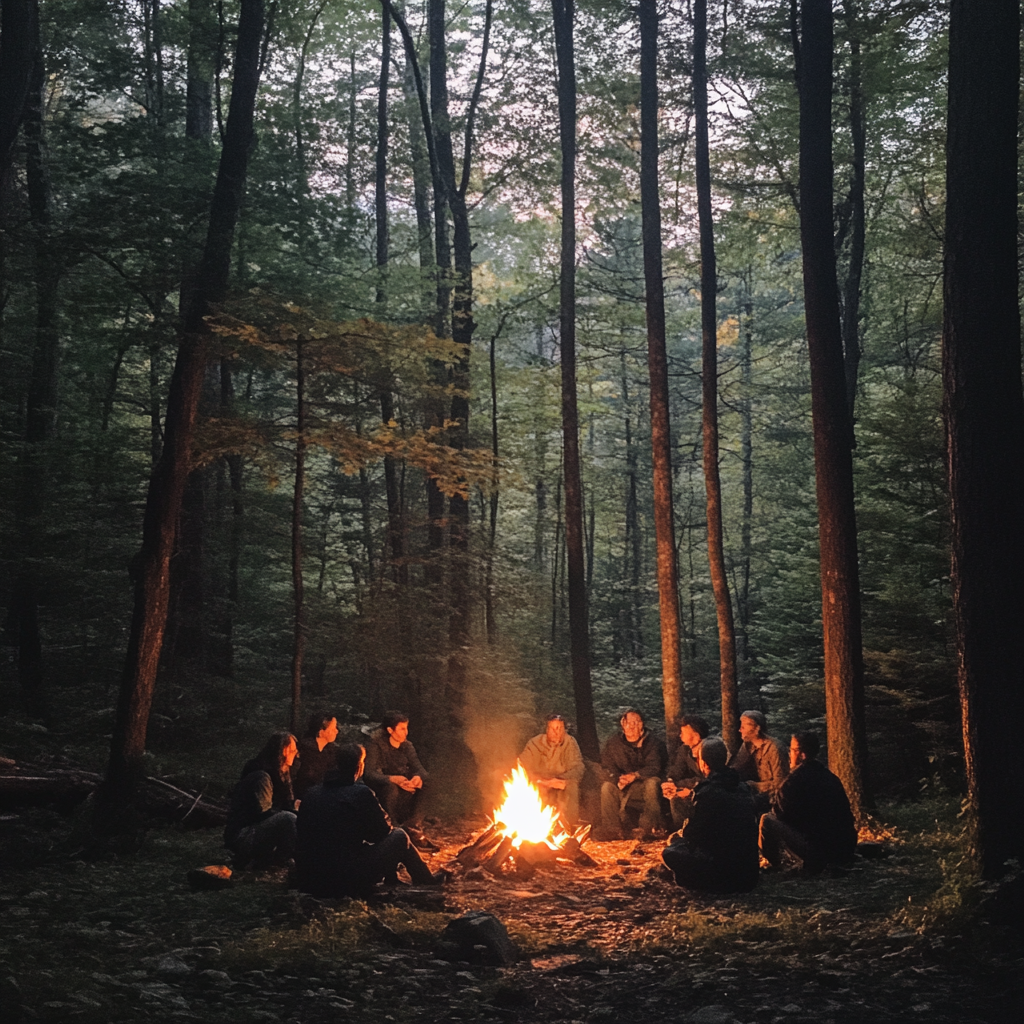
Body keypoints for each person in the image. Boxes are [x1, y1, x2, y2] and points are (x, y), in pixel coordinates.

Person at [295, 743, 447, 899]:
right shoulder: (360, 794)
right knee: (399, 836)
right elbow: (380, 834)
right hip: (344, 878)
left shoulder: (312, 793)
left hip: (310, 876)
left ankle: (395, 879)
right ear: (359, 767)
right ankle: (427, 881)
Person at [661, 736, 759, 893]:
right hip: (749, 874)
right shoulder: (742, 787)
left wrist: (682, 833)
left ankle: (695, 883)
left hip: (724, 874)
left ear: (703, 763)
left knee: (671, 850)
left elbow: (694, 835)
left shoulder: (708, 792)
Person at [759, 731, 858, 875]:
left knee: (767, 819)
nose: (789, 754)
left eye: (792, 750)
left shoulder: (794, 781)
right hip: (844, 849)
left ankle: (775, 864)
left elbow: (781, 814)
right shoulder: (830, 777)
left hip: (818, 851)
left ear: (802, 754)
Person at [224, 731, 299, 869]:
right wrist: (291, 812)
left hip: (256, 831)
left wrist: (294, 805)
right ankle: (277, 861)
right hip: (243, 834)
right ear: (283, 751)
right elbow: (263, 813)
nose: (296, 753)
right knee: (289, 819)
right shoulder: (262, 777)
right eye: (293, 750)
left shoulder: (282, 775)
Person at [362, 711, 433, 847]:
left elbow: (420, 769)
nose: (406, 732)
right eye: (402, 729)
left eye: (406, 728)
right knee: (391, 788)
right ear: (390, 730)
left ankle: (413, 825)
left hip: (403, 782)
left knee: (428, 783)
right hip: (382, 785)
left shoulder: (406, 746)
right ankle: (393, 828)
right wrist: (392, 779)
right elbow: (369, 773)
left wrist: (417, 777)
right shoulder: (375, 745)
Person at [597, 708, 666, 839]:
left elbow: (655, 767)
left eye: (637, 722)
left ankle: (650, 829)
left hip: (643, 784)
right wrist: (618, 779)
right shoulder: (614, 743)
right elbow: (607, 766)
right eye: (629, 723)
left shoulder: (654, 743)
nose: (633, 726)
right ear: (623, 724)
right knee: (607, 787)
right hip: (623, 785)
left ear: (642, 724)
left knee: (653, 783)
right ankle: (612, 830)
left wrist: (635, 776)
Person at [518, 714, 586, 827]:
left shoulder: (570, 742)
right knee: (529, 788)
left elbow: (578, 767)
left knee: (571, 787)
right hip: (539, 781)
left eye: (560, 728)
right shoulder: (535, 743)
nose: (556, 732)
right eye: (553, 728)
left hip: (561, 780)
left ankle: (569, 826)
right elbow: (522, 766)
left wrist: (562, 780)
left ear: (564, 730)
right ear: (547, 730)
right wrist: (539, 780)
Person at [729, 710, 788, 813]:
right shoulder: (748, 745)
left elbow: (781, 783)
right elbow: (736, 767)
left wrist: (755, 786)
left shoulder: (775, 748)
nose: (740, 730)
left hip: (775, 801)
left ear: (757, 728)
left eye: (744, 726)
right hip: (757, 797)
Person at [661, 715, 710, 830]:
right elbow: (677, 768)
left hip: (707, 789)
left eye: (684, 732)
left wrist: (682, 785)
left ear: (696, 735)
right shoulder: (685, 749)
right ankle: (681, 831)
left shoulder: (710, 749)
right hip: (693, 787)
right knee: (674, 797)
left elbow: (708, 778)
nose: (680, 735)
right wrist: (670, 782)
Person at [294, 711, 340, 799]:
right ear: (321, 732)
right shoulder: (304, 751)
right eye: (333, 728)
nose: (336, 731)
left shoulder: (331, 750)